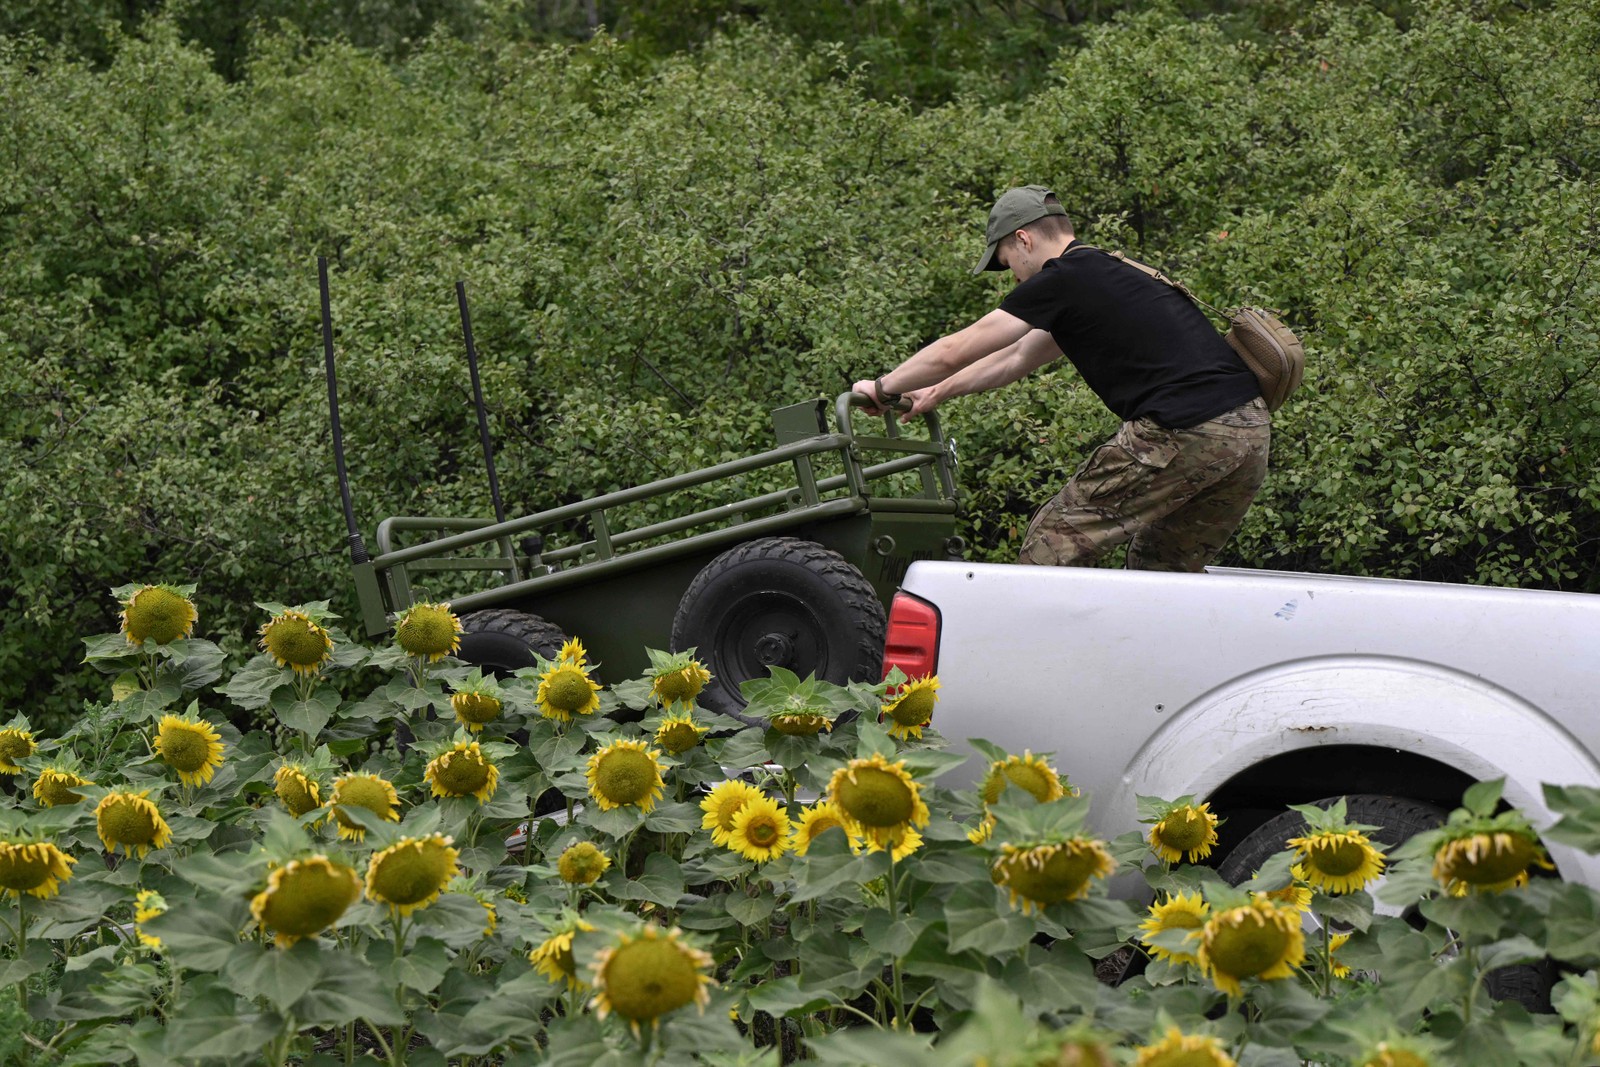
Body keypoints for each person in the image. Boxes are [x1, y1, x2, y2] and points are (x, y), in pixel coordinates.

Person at [851, 184, 1270, 572]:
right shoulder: (1111, 271)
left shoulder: (1065, 277)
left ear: (1023, 239)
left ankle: (1028, 653)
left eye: (1006, 263)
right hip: (1249, 435)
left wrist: (885, 387)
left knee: (1050, 546)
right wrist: (936, 393)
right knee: (1162, 568)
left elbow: (953, 350)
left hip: (1185, 429)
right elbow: (1015, 357)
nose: (1014, 276)